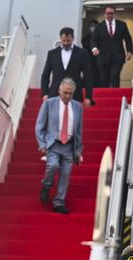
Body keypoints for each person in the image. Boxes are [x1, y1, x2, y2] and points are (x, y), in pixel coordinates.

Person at [36, 78, 84, 215]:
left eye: (70, 93)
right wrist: (42, 144)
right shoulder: (49, 104)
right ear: (59, 90)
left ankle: (59, 203)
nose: (67, 96)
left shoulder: (77, 107)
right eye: (65, 93)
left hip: (69, 146)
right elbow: (39, 125)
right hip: (54, 143)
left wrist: (79, 149)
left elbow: (79, 130)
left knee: (65, 175)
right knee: (53, 166)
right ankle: (46, 185)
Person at [40, 27, 94, 105]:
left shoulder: (82, 53)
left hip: (75, 95)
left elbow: (88, 76)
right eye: (63, 40)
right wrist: (45, 93)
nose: (66, 43)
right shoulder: (52, 54)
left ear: (73, 39)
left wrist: (88, 96)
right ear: (60, 39)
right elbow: (45, 75)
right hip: (54, 94)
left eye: (68, 41)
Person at [90, 5, 133, 89]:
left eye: (111, 13)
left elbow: (128, 38)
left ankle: (115, 94)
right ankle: (105, 97)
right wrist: (94, 48)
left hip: (118, 56)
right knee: (104, 79)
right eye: (107, 13)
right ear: (104, 14)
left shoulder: (122, 25)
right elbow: (93, 39)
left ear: (114, 14)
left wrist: (129, 51)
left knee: (114, 75)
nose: (109, 15)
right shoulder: (99, 27)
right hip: (103, 57)